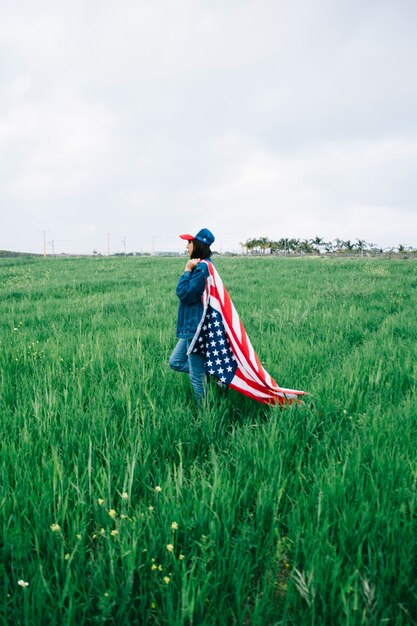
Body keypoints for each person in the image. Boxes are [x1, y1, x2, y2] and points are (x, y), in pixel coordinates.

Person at [169, 228, 215, 403]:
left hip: (196, 326)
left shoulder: (201, 268)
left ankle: (205, 413)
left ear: (198, 245)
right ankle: (214, 375)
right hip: (192, 325)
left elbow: (185, 294)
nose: (187, 246)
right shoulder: (204, 265)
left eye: (189, 243)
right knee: (175, 362)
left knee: (196, 377)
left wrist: (187, 270)